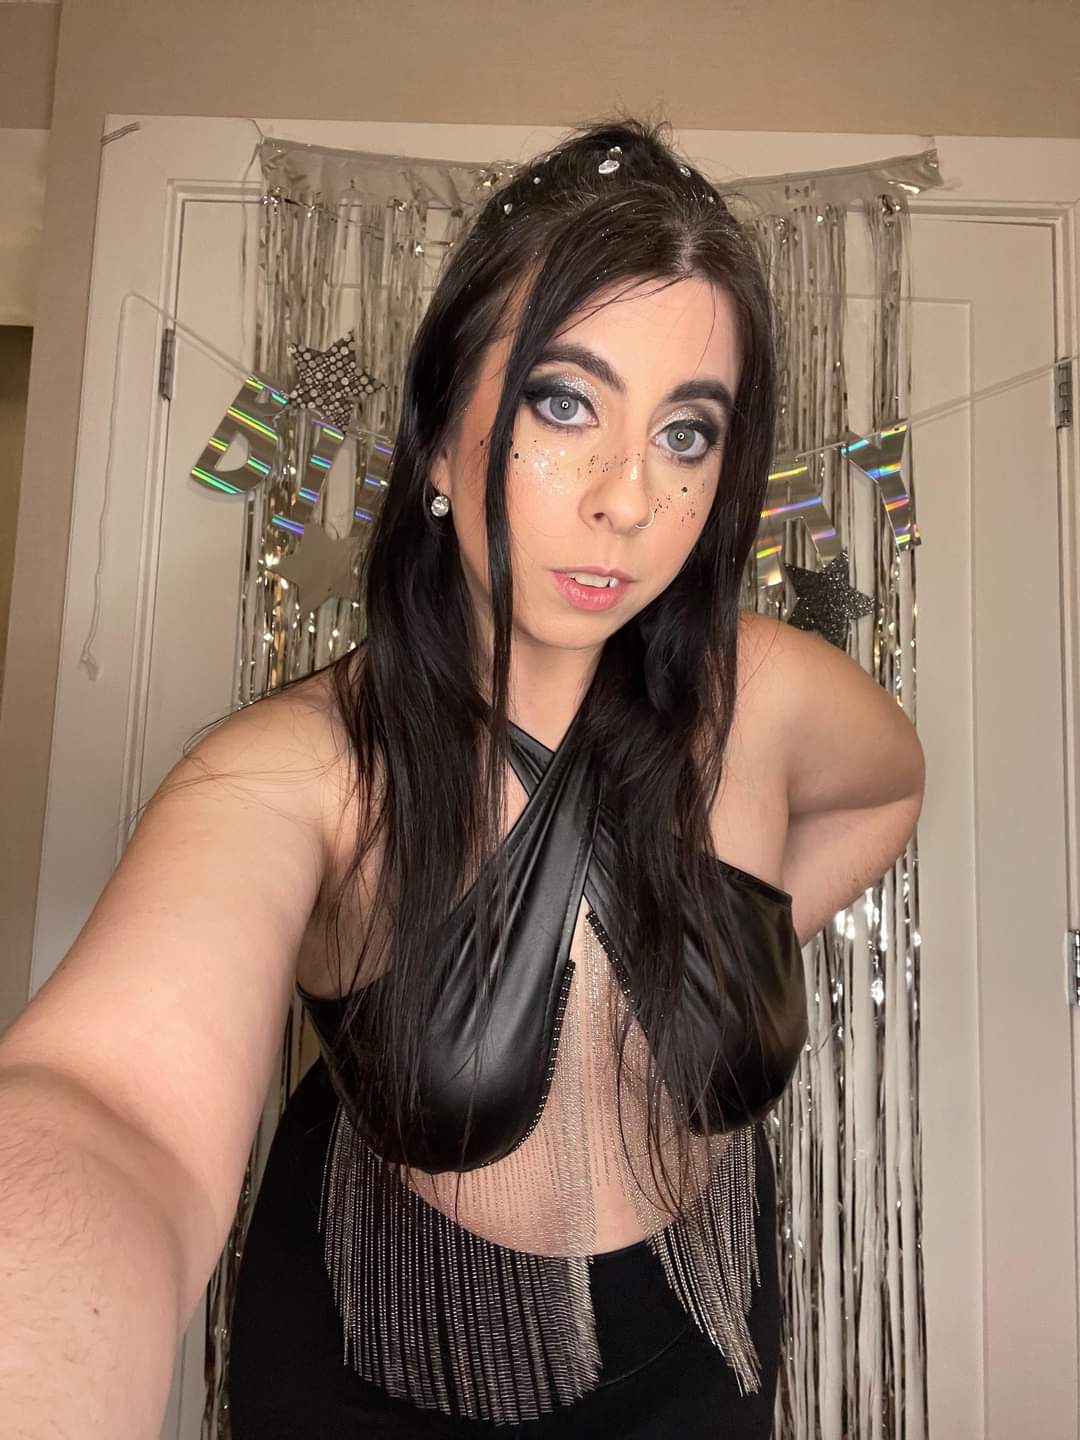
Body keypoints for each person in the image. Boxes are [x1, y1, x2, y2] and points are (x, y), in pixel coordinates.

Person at [0, 117, 925, 1439]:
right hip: (380, 1348)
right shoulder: (299, 769)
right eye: (566, 402)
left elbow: (889, 792)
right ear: (439, 439)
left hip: (698, 1343)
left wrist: (732, 932)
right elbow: (109, 1113)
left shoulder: (766, 695)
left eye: (687, 432)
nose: (627, 497)